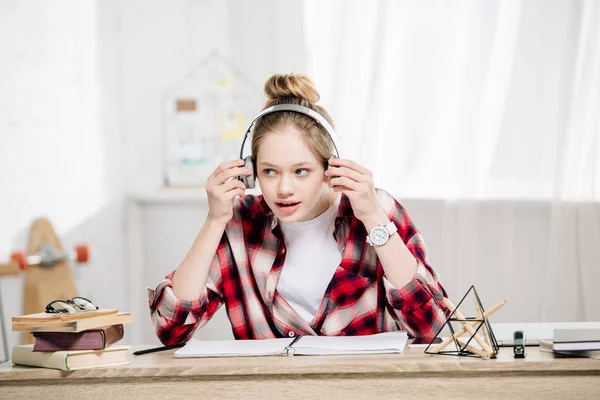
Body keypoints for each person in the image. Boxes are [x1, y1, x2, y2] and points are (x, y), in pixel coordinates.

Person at [148, 73, 448, 345]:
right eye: (270, 172)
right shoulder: (239, 221)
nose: (284, 189)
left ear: (329, 168)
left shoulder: (374, 207)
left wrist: (372, 218)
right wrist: (214, 221)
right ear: (251, 171)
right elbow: (173, 329)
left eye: (301, 171)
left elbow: (431, 327)